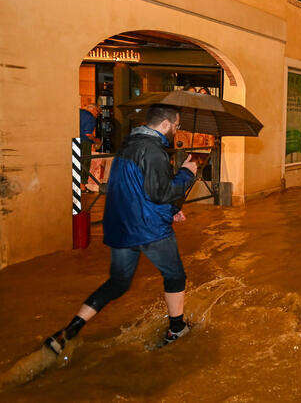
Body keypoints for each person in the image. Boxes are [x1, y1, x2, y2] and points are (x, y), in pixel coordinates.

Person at [44, 105, 197, 355]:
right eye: (177, 125)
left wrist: (171, 210)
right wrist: (185, 174)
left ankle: (69, 330)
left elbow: (137, 189)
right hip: (150, 230)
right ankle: (177, 328)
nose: (177, 129)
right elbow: (160, 192)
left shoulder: (128, 144)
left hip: (121, 228)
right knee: (175, 276)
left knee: (118, 283)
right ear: (167, 124)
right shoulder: (154, 151)